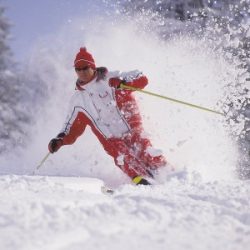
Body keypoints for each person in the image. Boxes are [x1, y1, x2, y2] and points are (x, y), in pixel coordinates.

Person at [48, 47, 167, 185]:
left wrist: (124, 84)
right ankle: (142, 181)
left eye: (85, 67)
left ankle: (168, 173)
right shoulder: (78, 100)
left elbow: (142, 78)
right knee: (121, 156)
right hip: (110, 137)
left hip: (131, 127)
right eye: (78, 69)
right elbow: (70, 129)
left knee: (145, 150)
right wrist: (59, 141)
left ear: (92, 66)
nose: (82, 72)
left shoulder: (111, 78)